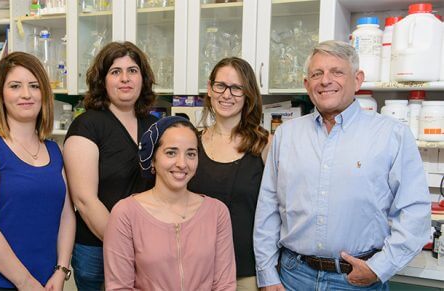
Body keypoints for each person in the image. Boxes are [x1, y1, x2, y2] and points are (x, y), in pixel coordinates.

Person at [253, 40, 431, 290]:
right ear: (307, 84)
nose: (326, 80)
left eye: (337, 72)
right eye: (317, 74)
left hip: (357, 280)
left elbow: (415, 212)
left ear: (357, 80)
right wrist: (267, 274)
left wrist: (379, 268)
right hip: (292, 276)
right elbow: (268, 208)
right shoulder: (286, 135)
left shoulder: (392, 135)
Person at [0, 52, 76, 290]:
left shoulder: (54, 150)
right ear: (1, 95)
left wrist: (61, 270)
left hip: (46, 280)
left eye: (34, 86)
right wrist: (25, 282)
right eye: (15, 86)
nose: (26, 94)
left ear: (44, 94)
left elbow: (66, 215)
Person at [63, 41, 158, 290]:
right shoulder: (87, 125)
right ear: (103, 81)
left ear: (143, 78)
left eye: (133, 71)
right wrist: (128, 247)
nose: (125, 79)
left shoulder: (155, 126)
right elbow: (84, 200)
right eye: (115, 72)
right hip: (96, 248)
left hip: (148, 246)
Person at [103, 116, 236, 290]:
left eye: (190, 154)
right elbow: (119, 287)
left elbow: (225, 284)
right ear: (152, 158)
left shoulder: (217, 212)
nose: (182, 163)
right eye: (171, 152)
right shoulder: (125, 213)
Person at [188, 57, 269, 291]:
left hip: (246, 272)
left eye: (236, 88)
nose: (227, 94)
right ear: (210, 89)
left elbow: (277, 212)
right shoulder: (191, 143)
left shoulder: (265, 146)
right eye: (220, 85)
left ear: (248, 94)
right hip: (195, 268)